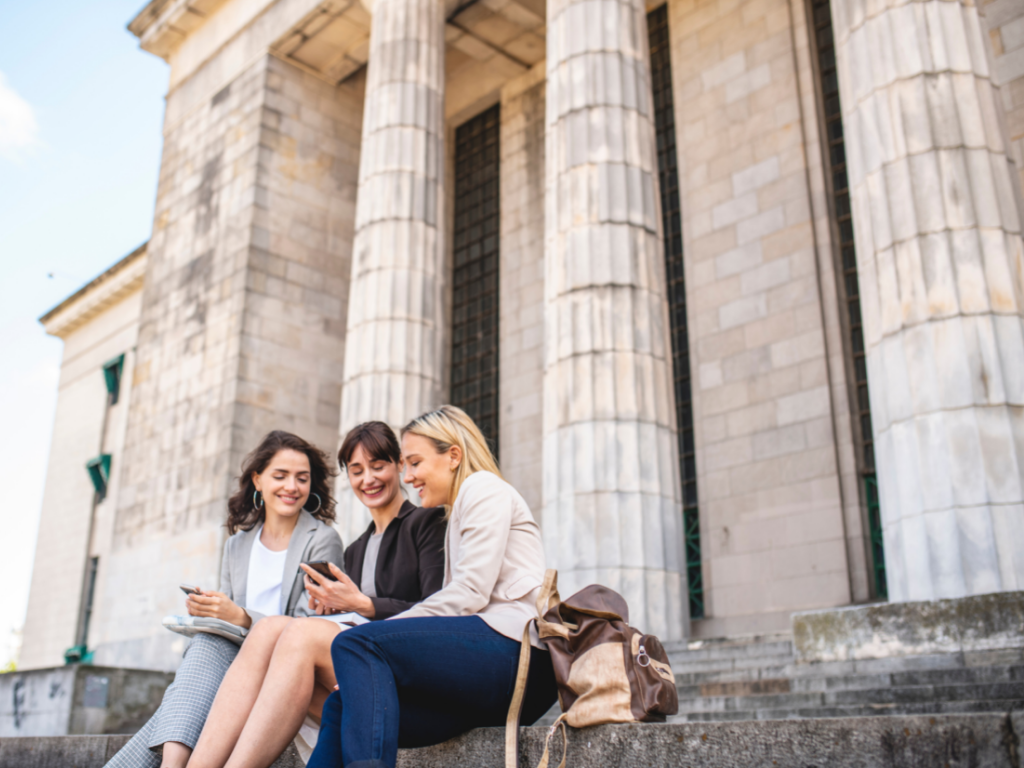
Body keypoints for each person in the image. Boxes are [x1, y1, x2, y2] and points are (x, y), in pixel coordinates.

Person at [306, 405, 559, 768]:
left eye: (414, 462)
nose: (408, 477)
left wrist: (380, 641)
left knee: (354, 642)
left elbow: (470, 592)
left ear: (453, 456)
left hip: (520, 656)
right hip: (487, 668)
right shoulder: (457, 510)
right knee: (343, 702)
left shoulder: (483, 488)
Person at [185, 421, 447, 768]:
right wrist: (328, 612)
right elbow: (346, 622)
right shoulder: (354, 550)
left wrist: (364, 605)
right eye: (356, 471)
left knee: (291, 633)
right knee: (270, 630)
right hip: (353, 673)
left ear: (399, 465)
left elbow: (439, 609)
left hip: (404, 669)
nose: (368, 479)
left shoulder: (426, 523)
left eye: (378, 466)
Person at [105, 431, 344, 768]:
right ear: (258, 480)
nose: (292, 486)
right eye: (281, 476)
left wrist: (242, 616)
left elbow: (310, 628)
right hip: (233, 660)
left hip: (283, 666)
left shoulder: (322, 540)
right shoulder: (238, 545)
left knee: (196, 666)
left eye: (302, 478)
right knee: (204, 644)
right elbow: (227, 625)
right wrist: (212, 612)